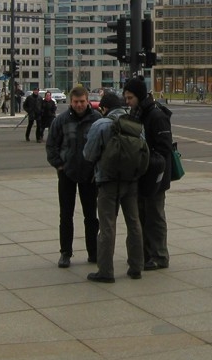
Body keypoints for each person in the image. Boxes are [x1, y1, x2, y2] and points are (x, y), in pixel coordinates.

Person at [83, 92, 144, 283]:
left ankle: (106, 271)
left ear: (104, 108)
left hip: (108, 181)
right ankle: (136, 267)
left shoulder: (100, 124)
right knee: (134, 222)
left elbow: (89, 154)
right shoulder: (134, 123)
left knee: (107, 225)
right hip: (131, 180)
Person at [45, 84, 102, 268]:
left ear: (88, 101)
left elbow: (104, 145)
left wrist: (96, 168)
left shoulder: (97, 119)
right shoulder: (61, 120)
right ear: (71, 101)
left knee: (91, 216)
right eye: (76, 102)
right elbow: (51, 145)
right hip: (67, 174)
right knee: (66, 215)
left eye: (82, 101)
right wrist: (59, 165)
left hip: (89, 175)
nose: (79, 105)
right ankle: (65, 253)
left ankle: (93, 252)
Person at [123, 76, 174, 271]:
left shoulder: (156, 115)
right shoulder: (139, 112)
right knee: (142, 215)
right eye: (126, 98)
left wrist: (147, 161)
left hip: (155, 176)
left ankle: (160, 255)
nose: (127, 102)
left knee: (154, 216)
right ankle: (145, 254)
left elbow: (164, 149)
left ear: (139, 96)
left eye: (130, 98)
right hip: (143, 174)